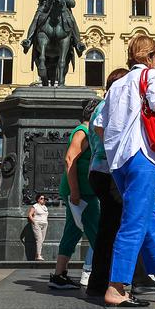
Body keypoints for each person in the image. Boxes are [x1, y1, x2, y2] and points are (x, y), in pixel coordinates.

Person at [92, 34, 155, 306]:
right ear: (150, 56)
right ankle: (116, 287)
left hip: (119, 161)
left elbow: (99, 126)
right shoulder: (152, 75)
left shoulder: (116, 85)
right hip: (143, 156)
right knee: (134, 223)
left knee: (149, 221)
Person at [85, 68, 130, 298]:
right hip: (110, 171)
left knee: (108, 227)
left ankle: (98, 281)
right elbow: (110, 136)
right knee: (120, 225)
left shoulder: (98, 108)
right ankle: (115, 280)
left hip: (98, 171)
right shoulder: (110, 106)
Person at [50, 102, 101, 289]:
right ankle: (106, 277)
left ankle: (59, 275)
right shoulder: (84, 132)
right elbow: (70, 159)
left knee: (72, 232)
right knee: (97, 234)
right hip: (83, 193)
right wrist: (75, 191)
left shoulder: (89, 132)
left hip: (82, 192)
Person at [28, 194, 50, 261]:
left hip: (44, 224)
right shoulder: (35, 206)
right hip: (37, 224)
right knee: (39, 239)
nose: (43, 200)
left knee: (41, 240)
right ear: (38, 199)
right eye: (41, 198)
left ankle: (37, 254)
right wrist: (34, 222)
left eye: (44, 199)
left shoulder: (45, 207)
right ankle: (38, 255)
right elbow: (29, 215)